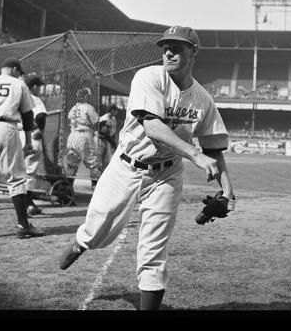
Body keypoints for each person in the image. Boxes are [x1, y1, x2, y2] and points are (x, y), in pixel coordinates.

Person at [59, 25, 236, 311]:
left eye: (177, 47)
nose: (168, 51)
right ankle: (82, 242)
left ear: (194, 52)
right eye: (165, 46)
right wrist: (195, 154)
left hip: (167, 174)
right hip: (126, 165)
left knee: (155, 248)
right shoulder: (149, 77)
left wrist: (228, 194)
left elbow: (214, 149)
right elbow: (153, 127)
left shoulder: (203, 99)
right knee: (99, 226)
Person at [0, 57, 45, 239]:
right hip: (5, 127)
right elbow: (28, 115)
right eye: (19, 71)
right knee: (16, 177)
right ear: (14, 69)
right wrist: (29, 141)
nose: (19, 74)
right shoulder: (18, 83)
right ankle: (23, 225)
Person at [21, 74, 48, 216]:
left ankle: (29, 203)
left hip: (18, 135)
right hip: (31, 137)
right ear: (35, 87)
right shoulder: (34, 99)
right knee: (29, 173)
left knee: (19, 173)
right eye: (39, 87)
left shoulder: (19, 97)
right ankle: (27, 206)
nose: (40, 90)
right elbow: (41, 116)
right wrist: (41, 130)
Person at [64, 87, 100, 190]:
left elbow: (68, 122)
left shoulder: (73, 108)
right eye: (86, 95)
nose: (88, 97)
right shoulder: (87, 107)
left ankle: (68, 189)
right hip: (84, 135)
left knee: (72, 163)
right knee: (92, 161)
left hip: (72, 136)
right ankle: (95, 187)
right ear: (84, 96)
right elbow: (96, 123)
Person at [96, 103, 119, 178]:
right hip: (100, 140)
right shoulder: (104, 118)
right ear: (112, 110)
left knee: (107, 161)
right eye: (116, 111)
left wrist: (113, 141)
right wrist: (113, 142)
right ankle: (95, 180)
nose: (117, 112)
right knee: (98, 161)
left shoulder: (113, 119)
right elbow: (104, 133)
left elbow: (112, 132)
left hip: (107, 141)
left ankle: (103, 177)